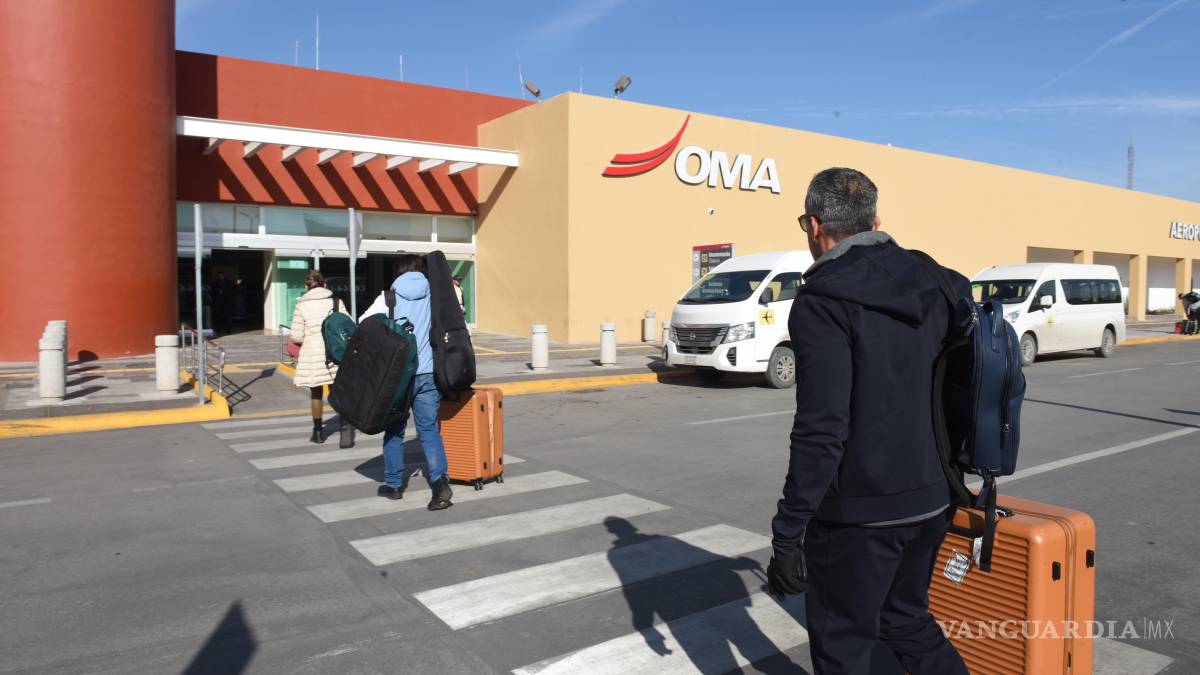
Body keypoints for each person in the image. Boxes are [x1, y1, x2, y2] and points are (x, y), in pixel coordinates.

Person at [767, 167, 969, 674]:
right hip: (933, 498)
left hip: (858, 516)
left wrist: (789, 531)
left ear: (815, 224)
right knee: (906, 623)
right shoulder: (938, 280)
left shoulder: (822, 300)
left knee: (843, 647)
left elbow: (822, 429)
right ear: (875, 222)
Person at [359, 254, 453, 511]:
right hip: (429, 373)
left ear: (398, 272)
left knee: (394, 429)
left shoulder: (388, 298)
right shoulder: (434, 296)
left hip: (398, 375)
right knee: (429, 430)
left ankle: (394, 485)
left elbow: (363, 324)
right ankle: (439, 483)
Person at [289, 269, 355, 447]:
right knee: (338, 391)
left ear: (306, 286)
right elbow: (348, 326)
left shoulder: (302, 305)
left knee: (316, 392)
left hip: (313, 355)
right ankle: (345, 428)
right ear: (324, 284)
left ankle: (318, 432)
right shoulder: (336, 302)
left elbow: (296, 336)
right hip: (335, 352)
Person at [209, 271, 231, 335]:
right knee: (218, 316)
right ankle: (219, 328)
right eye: (219, 276)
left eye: (221, 275)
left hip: (227, 302)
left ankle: (228, 329)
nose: (220, 277)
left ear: (224, 275)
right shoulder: (215, 283)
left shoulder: (228, 282)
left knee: (227, 316)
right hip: (218, 302)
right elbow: (212, 292)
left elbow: (231, 290)